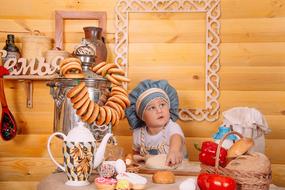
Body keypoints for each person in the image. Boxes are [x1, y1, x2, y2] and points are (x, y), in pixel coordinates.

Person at [125, 79, 187, 166]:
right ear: (141, 116)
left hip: (176, 170)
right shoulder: (138, 133)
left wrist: (174, 151)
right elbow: (136, 154)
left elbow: (176, 138)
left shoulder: (172, 126)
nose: (159, 110)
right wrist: (135, 158)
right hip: (150, 172)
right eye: (152, 108)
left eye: (162, 105)